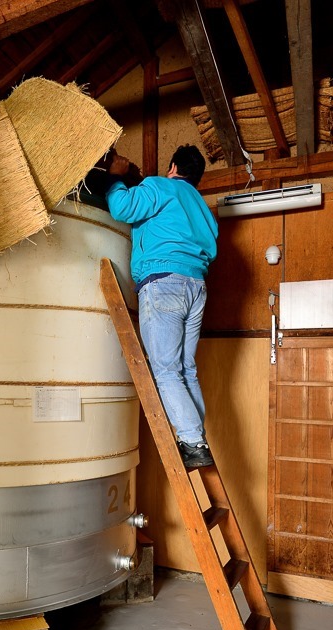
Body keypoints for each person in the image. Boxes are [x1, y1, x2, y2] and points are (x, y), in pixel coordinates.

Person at [105, 144, 218, 469]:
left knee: (166, 371)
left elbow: (123, 209)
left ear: (172, 167)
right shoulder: (204, 210)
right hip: (196, 287)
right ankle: (195, 437)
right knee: (186, 369)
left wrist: (115, 179)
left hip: (163, 281)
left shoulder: (160, 185)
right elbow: (211, 250)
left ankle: (194, 442)